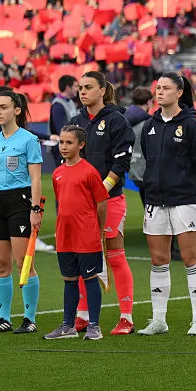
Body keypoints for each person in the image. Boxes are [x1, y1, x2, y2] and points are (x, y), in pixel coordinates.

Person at [137, 72, 196, 337]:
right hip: (156, 201)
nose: (159, 92)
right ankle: (159, 320)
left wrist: (190, 191)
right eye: (157, 88)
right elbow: (149, 160)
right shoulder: (150, 126)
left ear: (179, 92)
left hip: (185, 201)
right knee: (159, 260)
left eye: (166, 88)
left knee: (191, 259)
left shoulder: (192, 126)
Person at [70, 71, 136, 335]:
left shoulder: (117, 121)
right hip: (82, 202)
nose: (83, 92)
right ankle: (83, 315)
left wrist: (101, 190)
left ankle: (126, 318)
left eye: (88, 87)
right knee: (83, 256)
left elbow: (122, 162)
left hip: (109, 199)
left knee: (115, 255)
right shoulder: (76, 122)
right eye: (80, 88)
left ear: (102, 90)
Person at [0, 90, 43, 334]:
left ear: (16, 110)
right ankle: (3, 318)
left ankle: (29, 318)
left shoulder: (28, 139)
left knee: (23, 263)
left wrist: (34, 208)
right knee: (0, 263)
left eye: (3, 107)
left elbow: (36, 178)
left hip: (20, 201)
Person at [43, 126, 109, 340]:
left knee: (90, 278)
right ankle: (67, 326)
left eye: (69, 142)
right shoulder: (57, 173)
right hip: (65, 234)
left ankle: (94, 326)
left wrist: (97, 230)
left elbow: (101, 204)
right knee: (69, 279)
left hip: (86, 235)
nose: (63, 146)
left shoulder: (90, 172)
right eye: (61, 142)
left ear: (81, 145)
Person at [125, 86, 153, 210]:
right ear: (149, 102)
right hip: (147, 169)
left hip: (132, 167)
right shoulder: (148, 123)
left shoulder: (123, 118)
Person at [49, 75, 79, 166]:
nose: (77, 89)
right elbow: (61, 130)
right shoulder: (58, 105)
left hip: (71, 144)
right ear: (67, 88)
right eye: (75, 86)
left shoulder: (70, 102)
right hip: (62, 147)